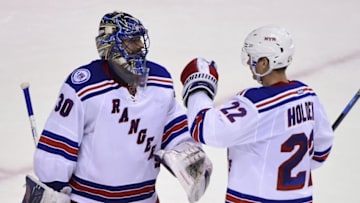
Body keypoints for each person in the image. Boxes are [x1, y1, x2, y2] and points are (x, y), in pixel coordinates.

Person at [22, 11, 212, 203]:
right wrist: (52, 181)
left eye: (139, 40)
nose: (139, 47)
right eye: (131, 42)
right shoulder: (83, 86)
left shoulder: (160, 81)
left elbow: (175, 131)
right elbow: (57, 149)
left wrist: (187, 152)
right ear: (110, 46)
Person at [180, 25, 334, 202]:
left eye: (252, 58)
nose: (248, 64)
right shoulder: (308, 96)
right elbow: (321, 148)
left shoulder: (255, 103)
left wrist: (199, 89)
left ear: (264, 63)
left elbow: (206, 129)